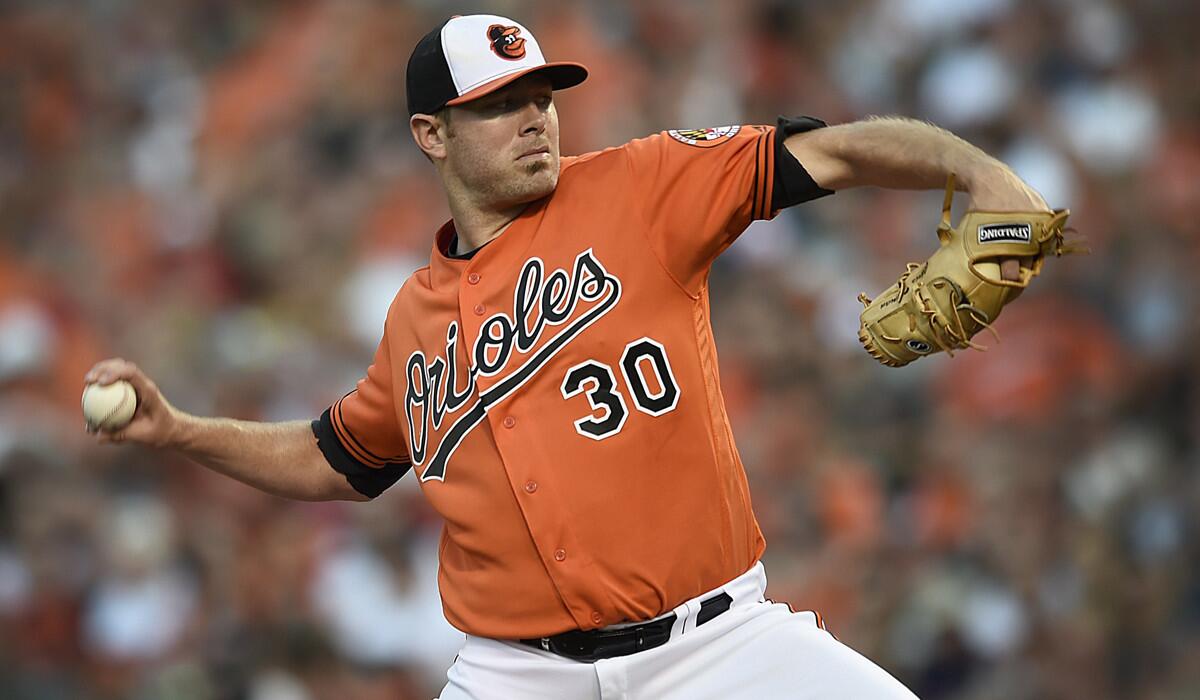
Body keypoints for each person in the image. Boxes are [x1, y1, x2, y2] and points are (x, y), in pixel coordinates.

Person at [86, 14, 1053, 699]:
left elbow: (835, 151)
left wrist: (978, 171)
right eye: (502, 104)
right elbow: (337, 459)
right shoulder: (413, 320)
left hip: (717, 647)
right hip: (517, 674)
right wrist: (178, 430)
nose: (536, 117)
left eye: (542, 95)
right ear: (432, 134)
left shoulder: (643, 186)